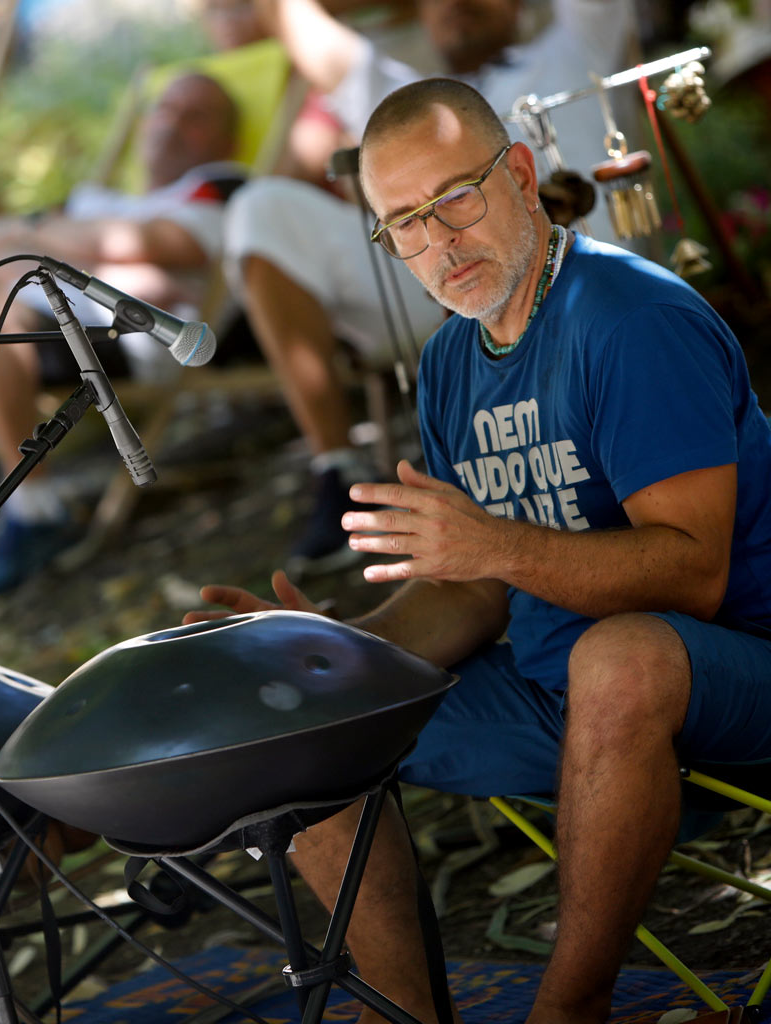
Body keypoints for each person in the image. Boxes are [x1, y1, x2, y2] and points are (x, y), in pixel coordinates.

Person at [186, 78, 771, 1024]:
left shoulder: (626, 320)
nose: (438, 244)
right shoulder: (455, 361)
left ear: (523, 176)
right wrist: (327, 648)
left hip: (727, 678)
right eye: (403, 225)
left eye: (455, 198)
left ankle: (567, 1011)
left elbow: (692, 574)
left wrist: (494, 542)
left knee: (616, 658)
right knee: (310, 716)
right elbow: (476, 591)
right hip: (559, 696)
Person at [225, 0, 636, 576]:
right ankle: (337, 468)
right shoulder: (406, 102)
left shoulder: (573, 45)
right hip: (441, 294)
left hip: (583, 296)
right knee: (259, 207)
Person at [0, 70, 244, 608]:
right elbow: (0, 243)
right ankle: (34, 502)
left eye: (196, 116)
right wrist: (88, 255)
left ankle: (34, 507)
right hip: (62, 314)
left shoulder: (218, 185)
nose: (172, 125)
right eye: (165, 110)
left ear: (228, 137)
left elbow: (165, 250)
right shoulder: (102, 201)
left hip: (132, 339)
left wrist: (38, 241)